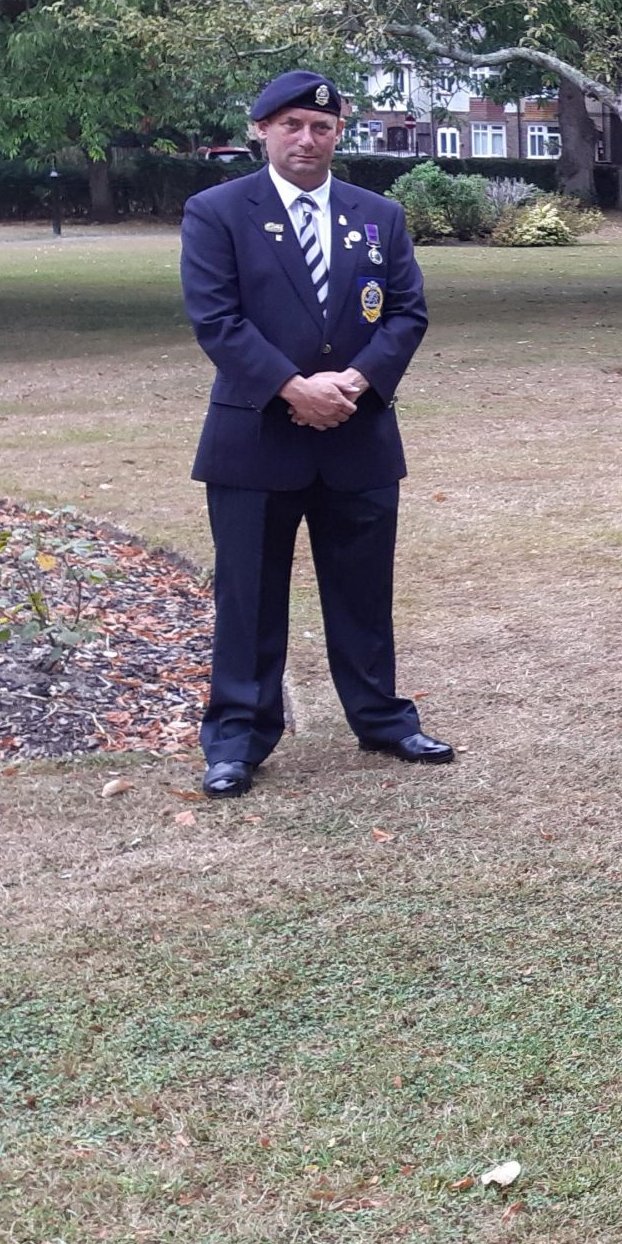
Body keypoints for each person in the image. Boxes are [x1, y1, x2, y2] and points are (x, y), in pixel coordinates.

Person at [179, 69, 451, 798]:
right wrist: (294, 387)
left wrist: (353, 385)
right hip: (258, 436)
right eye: (292, 125)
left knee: (364, 593)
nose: (308, 139)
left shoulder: (378, 215)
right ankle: (238, 736)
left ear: (340, 133)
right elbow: (217, 318)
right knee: (250, 597)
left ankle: (382, 720)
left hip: (356, 436)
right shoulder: (217, 211)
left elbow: (405, 314)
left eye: (322, 127)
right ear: (259, 130)